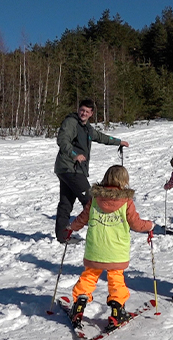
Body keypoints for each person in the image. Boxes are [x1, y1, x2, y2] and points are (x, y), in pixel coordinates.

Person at [61, 165, 154, 330]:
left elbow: (83, 218)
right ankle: (117, 311)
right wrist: (150, 226)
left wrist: (71, 228)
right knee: (116, 278)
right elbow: (136, 224)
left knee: (89, 276)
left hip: (95, 247)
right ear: (124, 181)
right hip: (116, 250)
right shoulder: (126, 201)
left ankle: (79, 306)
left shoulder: (96, 198)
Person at [54, 99, 129, 243]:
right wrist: (74, 155)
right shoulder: (71, 122)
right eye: (82, 110)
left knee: (66, 203)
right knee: (91, 200)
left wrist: (118, 142)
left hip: (70, 169)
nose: (83, 113)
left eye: (87, 112)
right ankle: (99, 234)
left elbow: (100, 137)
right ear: (78, 109)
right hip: (70, 168)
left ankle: (63, 237)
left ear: (91, 114)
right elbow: (62, 140)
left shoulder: (86, 127)